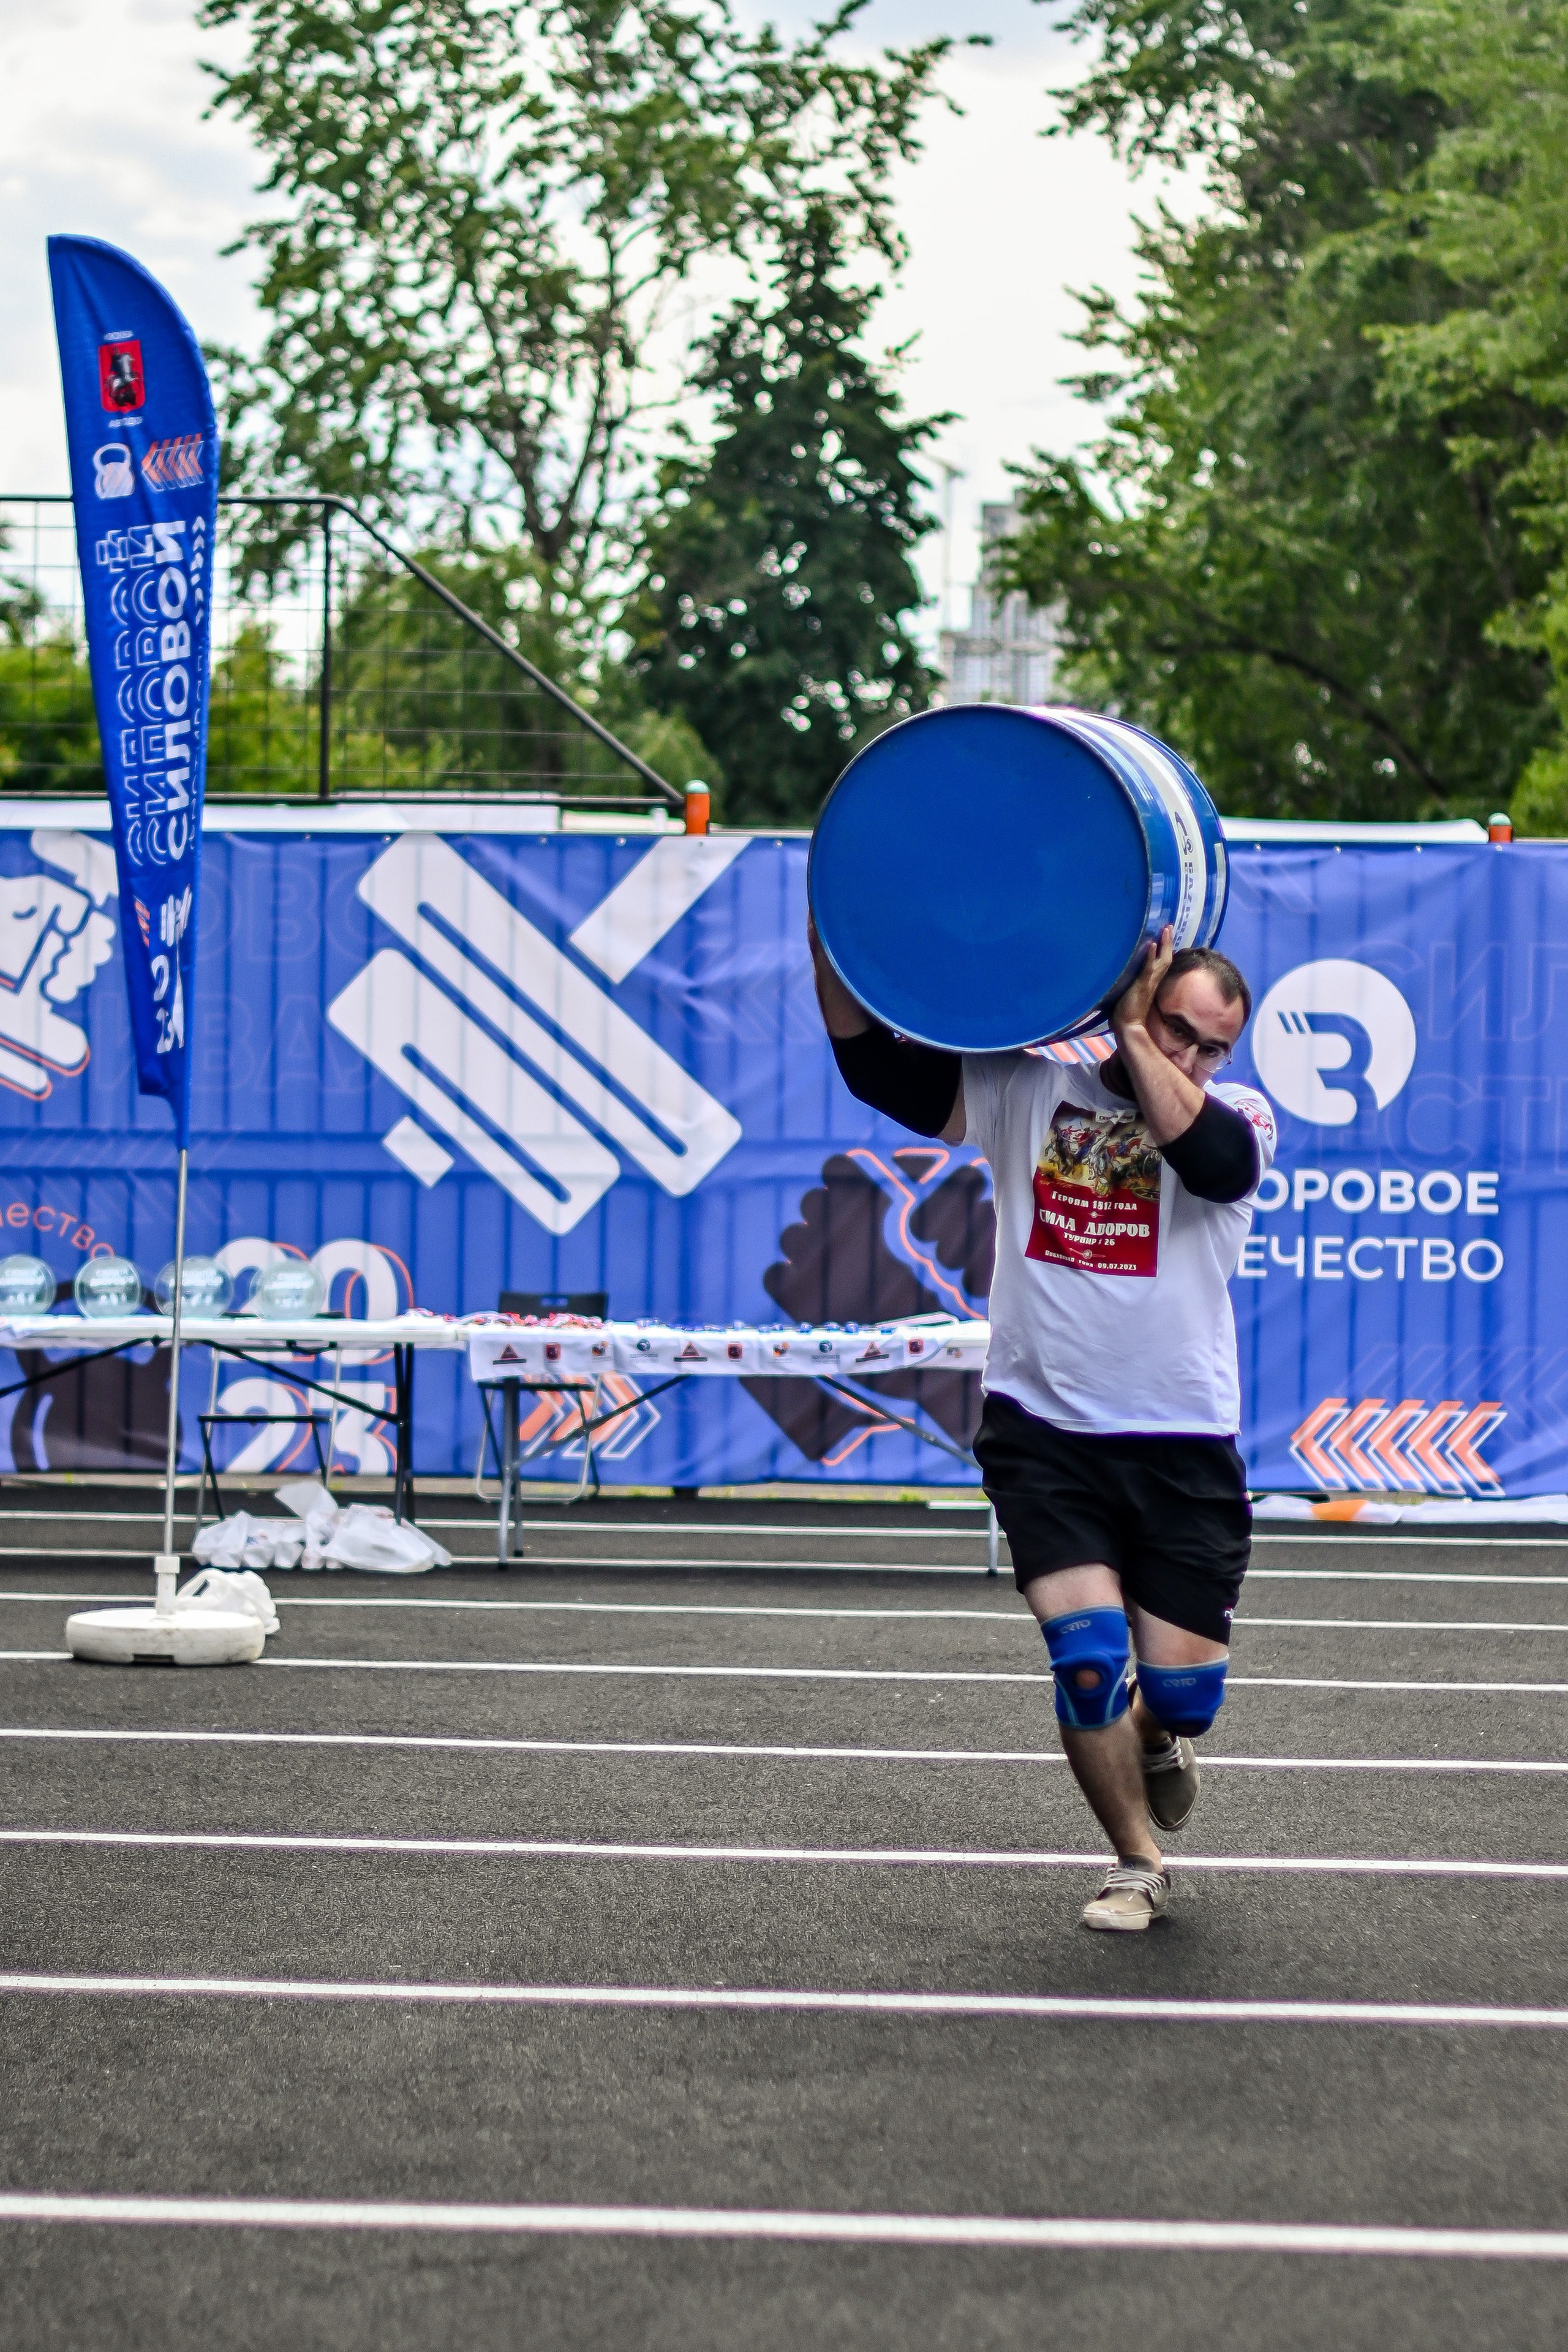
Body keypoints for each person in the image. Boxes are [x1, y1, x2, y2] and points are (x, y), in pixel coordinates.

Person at [810, 917, 1276, 1932]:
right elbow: (873, 1069)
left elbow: (1207, 1158)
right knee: (1087, 1662)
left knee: (1183, 1697)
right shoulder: (1031, 1090)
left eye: (1211, 1044)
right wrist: (833, 940)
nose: (1193, 1056)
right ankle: (1135, 1861)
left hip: (1183, 1443)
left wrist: (1140, 1040)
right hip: (1046, 1433)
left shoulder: (1237, 1113)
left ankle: (1158, 1737)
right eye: (1178, 1030)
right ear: (1135, 1002)